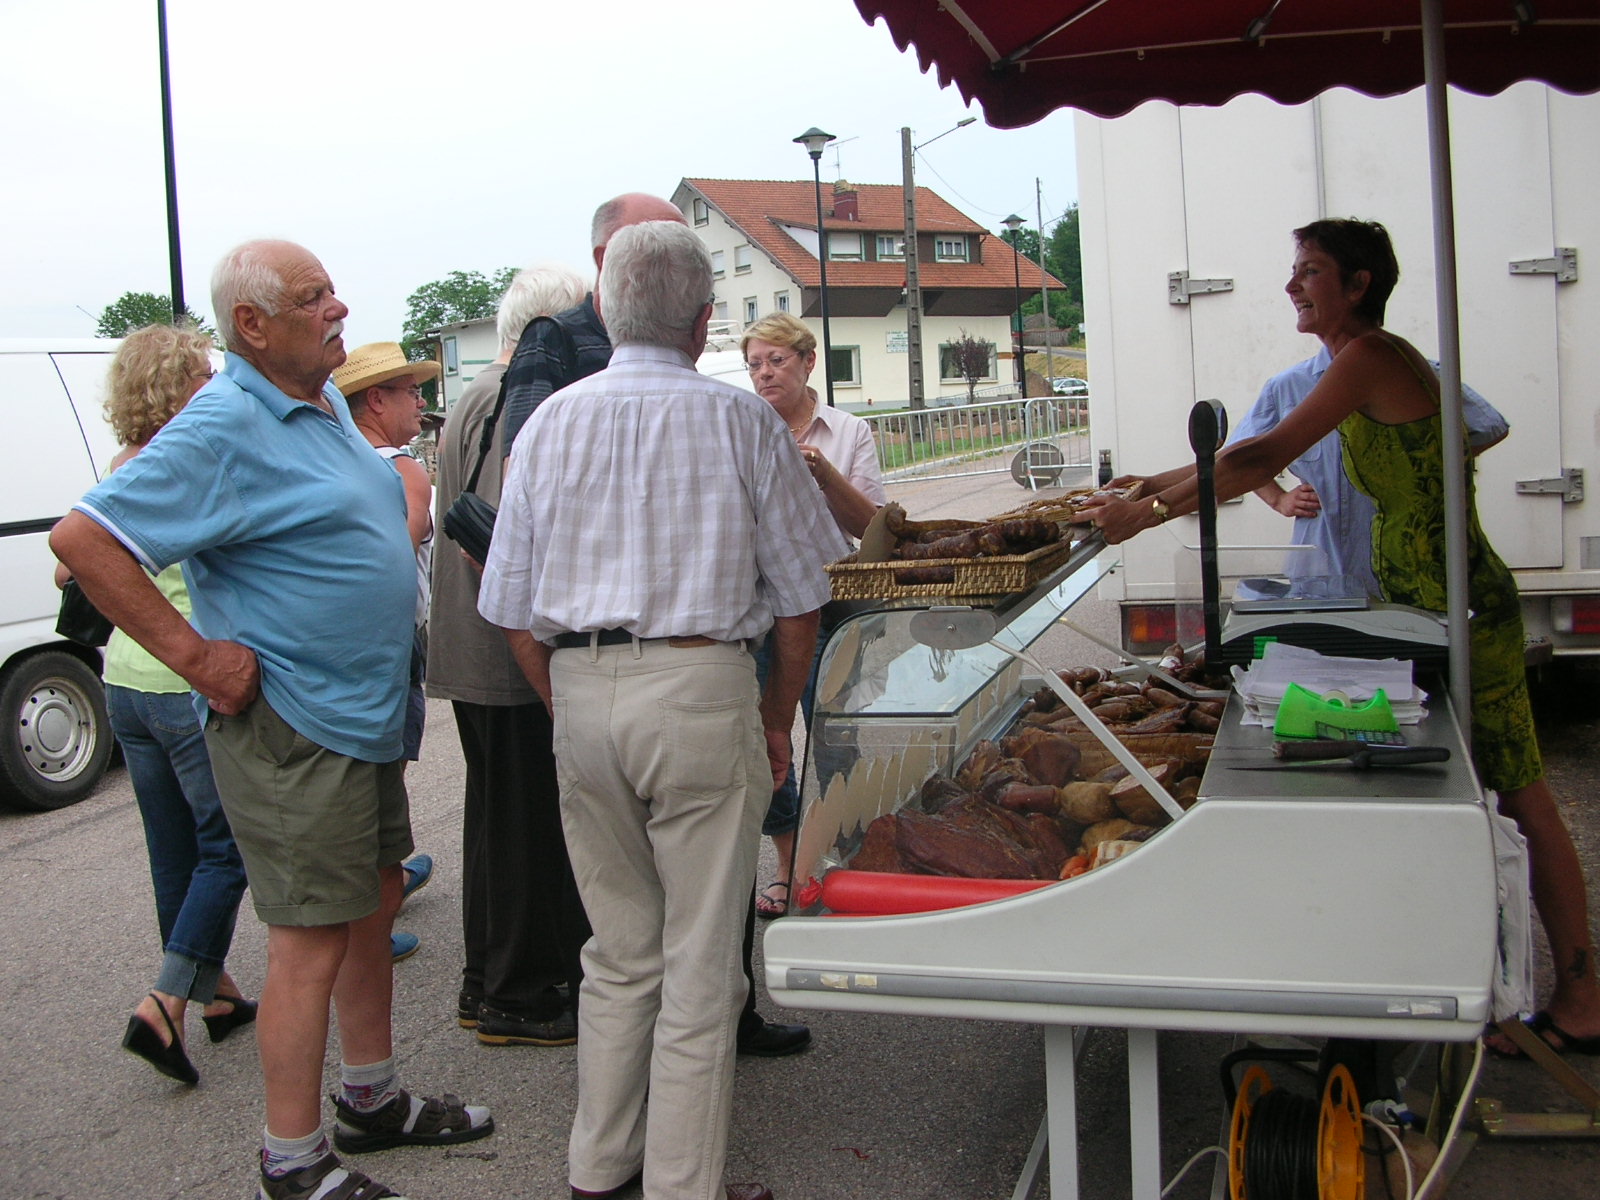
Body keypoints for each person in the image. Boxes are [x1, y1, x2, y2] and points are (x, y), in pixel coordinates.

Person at [1084, 218, 1600, 1058]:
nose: (1293, 286)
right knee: (1475, 805)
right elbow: (1246, 455)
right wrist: (1149, 482)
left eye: (1310, 272)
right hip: (1420, 612)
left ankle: (1579, 994)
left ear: (1358, 284)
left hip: (1466, 608)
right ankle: (1489, 988)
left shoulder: (1371, 356)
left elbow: (1262, 455)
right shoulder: (1353, 364)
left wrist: (1142, 516)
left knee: (1518, 797)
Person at [51, 239, 492, 1200]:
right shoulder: (221, 424)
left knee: (372, 902)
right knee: (309, 936)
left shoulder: (323, 401)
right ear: (252, 325)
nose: (339, 308)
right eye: (313, 296)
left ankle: (371, 1102)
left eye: (335, 287)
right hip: (295, 728)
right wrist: (202, 659)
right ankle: (289, 1162)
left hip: (358, 717)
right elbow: (83, 541)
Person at [480, 219, 847, 1200]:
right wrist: (774, 719)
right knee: (697, 966)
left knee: (619, 952)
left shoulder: (548, 423)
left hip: (585, 693)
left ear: (605, 309)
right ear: (701, 322)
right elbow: (805, 596)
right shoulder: (740, 423)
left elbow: (509, 608)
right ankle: (682, 1185)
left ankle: (598, 1172)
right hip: (700, 687)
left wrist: (569, 700)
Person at [68, 323, 254, 1086]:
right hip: (184, 685)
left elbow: (71, 569)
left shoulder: (120, 465)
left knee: (172, 849)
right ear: (183, 386)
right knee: (229, 848)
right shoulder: (186, 465)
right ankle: (165, 1003)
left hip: (124, 685)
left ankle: (214, 997)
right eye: (204, 372)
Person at [427, 263, 593, 1047]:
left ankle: (484, 982)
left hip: (474, 645)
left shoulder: (470, 397)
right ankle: (520, 995)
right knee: (526, 825)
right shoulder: (512, 399)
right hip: (505, 651)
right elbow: (494, 535)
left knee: (497, 819)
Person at [739, 312, 885, 918]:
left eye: (776, 360)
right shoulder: (742, 429)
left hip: (834, 601)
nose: (765, 373)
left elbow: (874, 530)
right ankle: (788, 861)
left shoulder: (848, 432)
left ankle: (844, 858)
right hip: (763, 606)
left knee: (836, 736)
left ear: (807, 363)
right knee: (762, 739)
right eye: (754, 364)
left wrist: (822, 472)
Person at [1231, 345, 1507, 594]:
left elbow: (1489, 427)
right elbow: (1237, 456)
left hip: (1405, 560)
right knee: (1322, 642)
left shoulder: (1421, 376)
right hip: (1320, 562)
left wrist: (1427, 466)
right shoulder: (1288, 386)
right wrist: (1278, 499)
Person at [335, 342, 444, 967]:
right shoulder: (403, 469)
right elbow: (394, 561)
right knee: (385, 781)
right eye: (410, 391)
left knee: (363, 781)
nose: (420, 402)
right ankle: (376, 917)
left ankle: (382, 892)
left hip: (349, 646)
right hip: (393, 641)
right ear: (376, 400)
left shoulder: (339, 464)